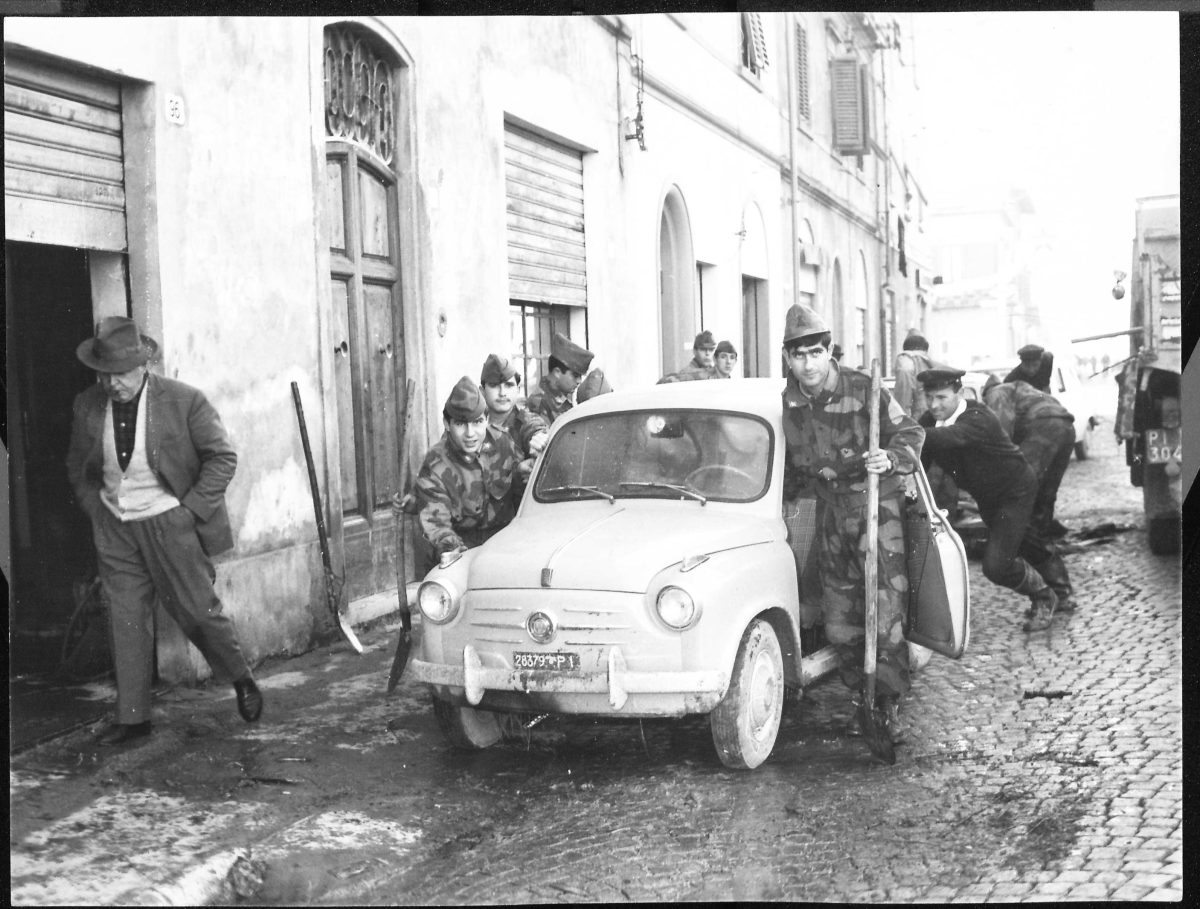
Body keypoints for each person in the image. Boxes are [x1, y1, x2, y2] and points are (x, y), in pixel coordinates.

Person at [65, 317, 262, 746]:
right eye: (104, 373)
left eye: (119, 373)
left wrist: (188, 512)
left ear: (143, 366)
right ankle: (134, 718)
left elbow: (222, 459)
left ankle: (240, 677)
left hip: (169, 521)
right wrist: (95, 511)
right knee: (126, 618)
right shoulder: (87, 404)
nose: (110, 383)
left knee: (196, 611)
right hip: (115, 525)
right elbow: (77, 468)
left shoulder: (184, 401)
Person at [780, 304, 924, 759]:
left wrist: (891, 460)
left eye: (816, 352)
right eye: (799, 355)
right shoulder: (791, 402)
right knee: (840, 620)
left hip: (873, 508)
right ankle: (860, 698)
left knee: (884, 614)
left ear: (829, 352)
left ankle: (887, 706)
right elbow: (795, 467)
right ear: (789, 359)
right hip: (830, 514)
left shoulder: (864, 388)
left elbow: (911, 434)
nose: (809, 363)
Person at [917, 368, 1071, 631]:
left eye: (941, 397)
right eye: (929, 398)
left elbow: (950, 437)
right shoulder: (929, 423)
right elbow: (921, 459)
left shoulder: (978, 416)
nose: (934, 405)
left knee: (996, 565)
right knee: (1024, 540)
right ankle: (1063, 592)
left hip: (1015, 490)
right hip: (988, 497)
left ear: (960, 393)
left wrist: (910, 434)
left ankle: (1045, 597)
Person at [413, 376, 520, 564]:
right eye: (461, 424)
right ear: (447, 424)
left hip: (506, 545)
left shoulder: (504, 443)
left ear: (487, 420)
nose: (470, 434)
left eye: (477, 422)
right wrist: (453, 550)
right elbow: (437, 525)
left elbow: (522, 493)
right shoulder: (435, 464)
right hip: (462, 549)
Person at [982, 375, 1076, 544]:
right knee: (1048, 486)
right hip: (1067, 426)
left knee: (1023, 482)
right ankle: (1042, 531)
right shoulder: (1021, 388)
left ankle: (1022, 538)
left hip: (1044, 425)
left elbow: (1002, 428)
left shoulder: (996, 392)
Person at [479, 353, 548, 487]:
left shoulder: (526, 422)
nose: (502, 393)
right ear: (482, 391)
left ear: (518, 389)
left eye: (509, 385)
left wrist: (539, 438)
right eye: (494, 385)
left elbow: (535, 429)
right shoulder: (472, 426)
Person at [526, 331, 594, 426]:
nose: (579, 381)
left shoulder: (561, 401)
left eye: (580, 376)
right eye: (575, 375)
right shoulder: (539, 403)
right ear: (557, 372)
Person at [892, 331, 937, 419]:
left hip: (916, 420)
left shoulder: (905, 361)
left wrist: (901, 422)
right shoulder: (931, 364)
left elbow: (902, 400)